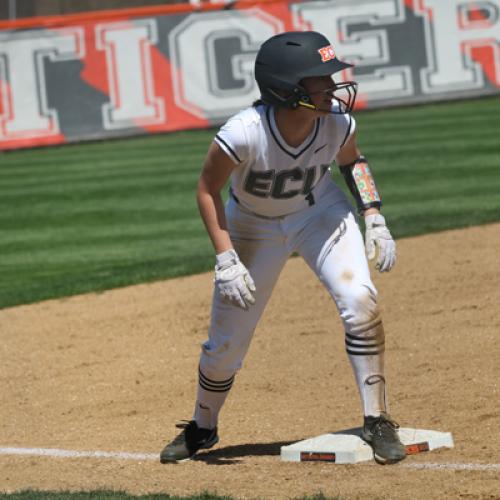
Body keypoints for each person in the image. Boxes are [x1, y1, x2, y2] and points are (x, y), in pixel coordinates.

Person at [160, 30, 406, 465]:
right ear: (287, 88)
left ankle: (378, 418)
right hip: (252, 224)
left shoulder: (337, 123)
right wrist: (225, 257)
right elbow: (206, 189)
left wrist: (373, 214)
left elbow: (352, 162)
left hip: (320, 213)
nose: (332, 87)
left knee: (359, 299)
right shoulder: (243, 132)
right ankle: (202, 426)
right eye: (321, 80)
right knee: (226, 345)